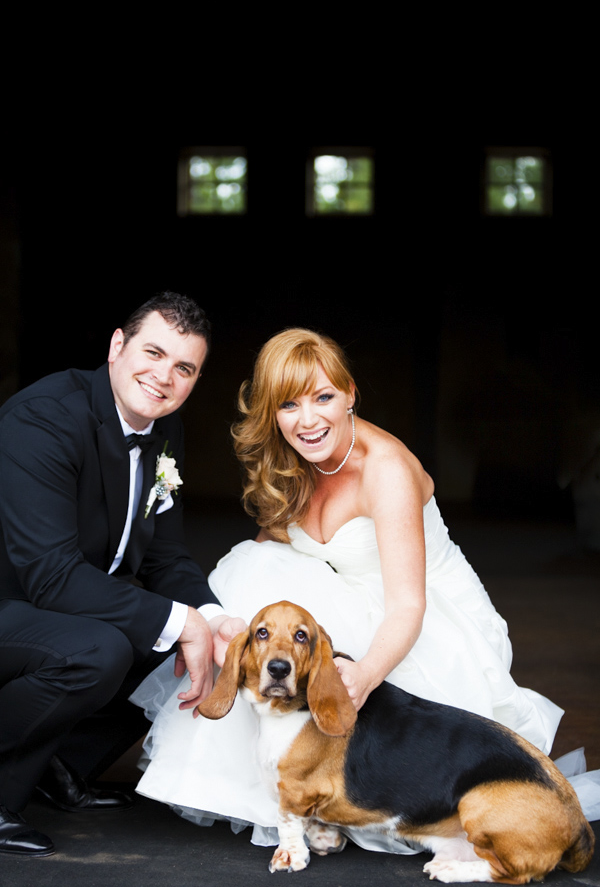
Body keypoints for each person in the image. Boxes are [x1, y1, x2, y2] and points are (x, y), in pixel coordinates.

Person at [132, 327, 598, 854]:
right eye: (288, 404)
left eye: (323, 397)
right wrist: (222, 623)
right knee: (252, 571)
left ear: (350, 394)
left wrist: (365, 674)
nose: (308, 420)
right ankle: (279, 787)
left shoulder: (386, 469)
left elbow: (408, 604)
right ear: (272, 413)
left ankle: (332, 795)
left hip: (420, 615)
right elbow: (269, 545)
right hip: (343, 590)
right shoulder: (292, 460)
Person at [0, 292, 243, 857]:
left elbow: (165, 555)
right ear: (117, 346)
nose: (164, 377)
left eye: (183, 368)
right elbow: (50, 575)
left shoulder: (164, 431)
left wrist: (210, 619)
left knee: (182, 641)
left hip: (54, 606)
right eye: (153, 353)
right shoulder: (44, 419)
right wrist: (181, 622)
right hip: (15, 600)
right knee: (104, 648)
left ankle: (53, 767)